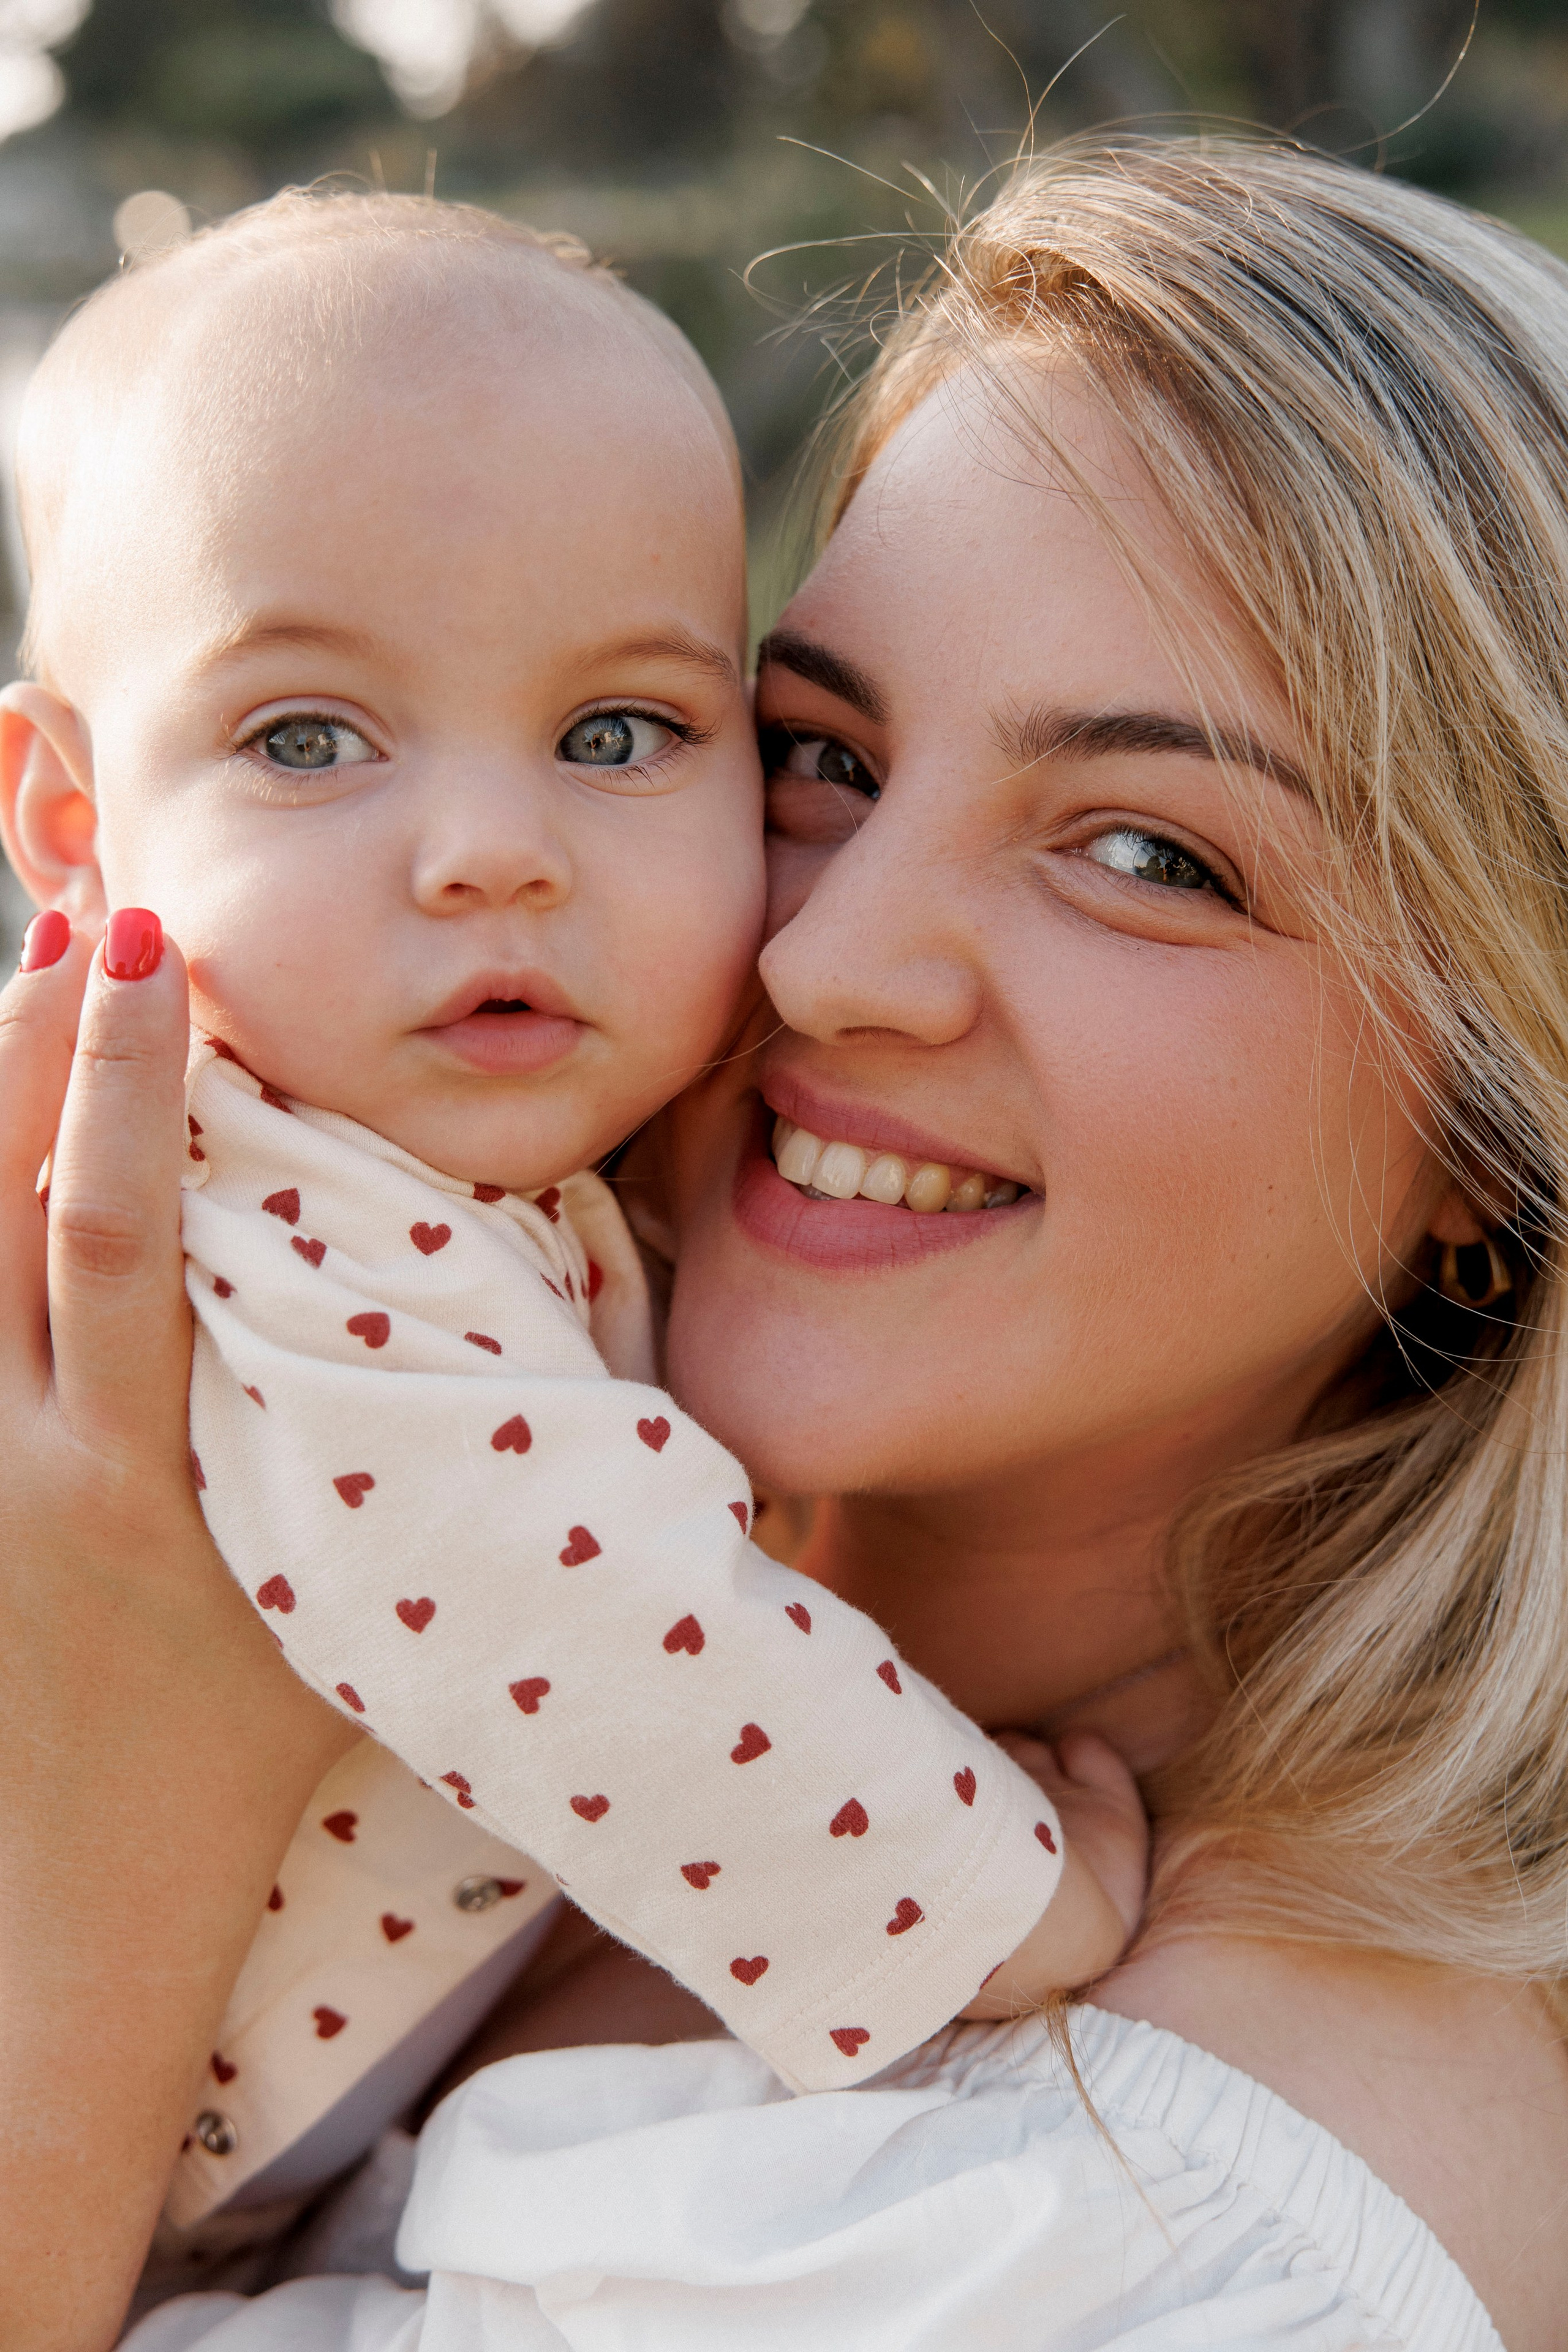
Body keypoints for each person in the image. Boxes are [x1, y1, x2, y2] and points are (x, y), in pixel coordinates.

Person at [6, 133, 1568, 2350]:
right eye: (821, 751)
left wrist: (116, 1779)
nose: (833, 960)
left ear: (1498, 1143)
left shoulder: (1157, 2230)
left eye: (1144, 849)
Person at [0, 186, 1141, 2254]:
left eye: (620, 733)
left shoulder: (475, 1161)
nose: (490, 855)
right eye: (307, 737)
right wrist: (998, 1897)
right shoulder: (268, 1215)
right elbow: (567, 1597)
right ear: (75, 826)